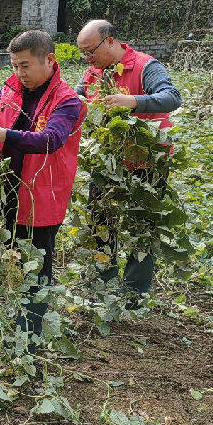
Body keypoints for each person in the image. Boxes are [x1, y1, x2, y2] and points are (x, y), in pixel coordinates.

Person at [0, 29, 84, 336]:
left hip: (40, 193)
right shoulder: (10, 88)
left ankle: (30, 329)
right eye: (14, 66)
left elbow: (51, 140)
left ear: (49, 60)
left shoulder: (68, 101)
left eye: (24, 65)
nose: (19, 73)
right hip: (2, 184)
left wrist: (4, 136)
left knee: (36, 261)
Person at [75, 19, 182, 301]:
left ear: (110, 41)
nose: (88, 58)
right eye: (83, 53)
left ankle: (135, 290)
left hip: (148, 161)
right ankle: (103, 280)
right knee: (100, 219)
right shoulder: (91, 73)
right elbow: (75, 100)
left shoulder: (147, 66)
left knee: (143, 226)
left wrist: (133, 101)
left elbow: (171, 97)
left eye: (90, 51)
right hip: (106, 161)